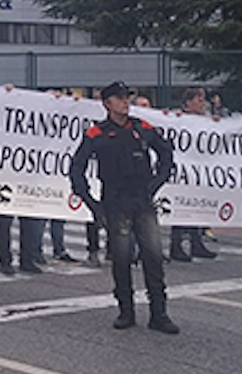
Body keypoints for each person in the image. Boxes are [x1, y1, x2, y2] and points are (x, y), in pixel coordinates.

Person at [70, 81, 179, 334]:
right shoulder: (96, 134)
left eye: (127, 98)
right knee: (121, 259)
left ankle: (159, 314)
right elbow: (77, 168)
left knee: (153, 257)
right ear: (107, 104)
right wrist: (91, 203)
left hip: (142, 200)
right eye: (119, 99)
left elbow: (166, 152)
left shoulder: (142, 128)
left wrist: (157, 182)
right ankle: (126, 311)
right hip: (115, 202)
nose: (125, 103)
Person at [168, 89, 217, 262]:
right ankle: (176, 245)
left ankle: (197, 243)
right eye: (198, 100)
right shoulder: (179, 119)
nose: (202, 103)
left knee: (198, 208)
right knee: (181, 209)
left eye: (202, 100)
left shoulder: (205, 120)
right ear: (188, 102)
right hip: (183, 172)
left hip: (199, 171)